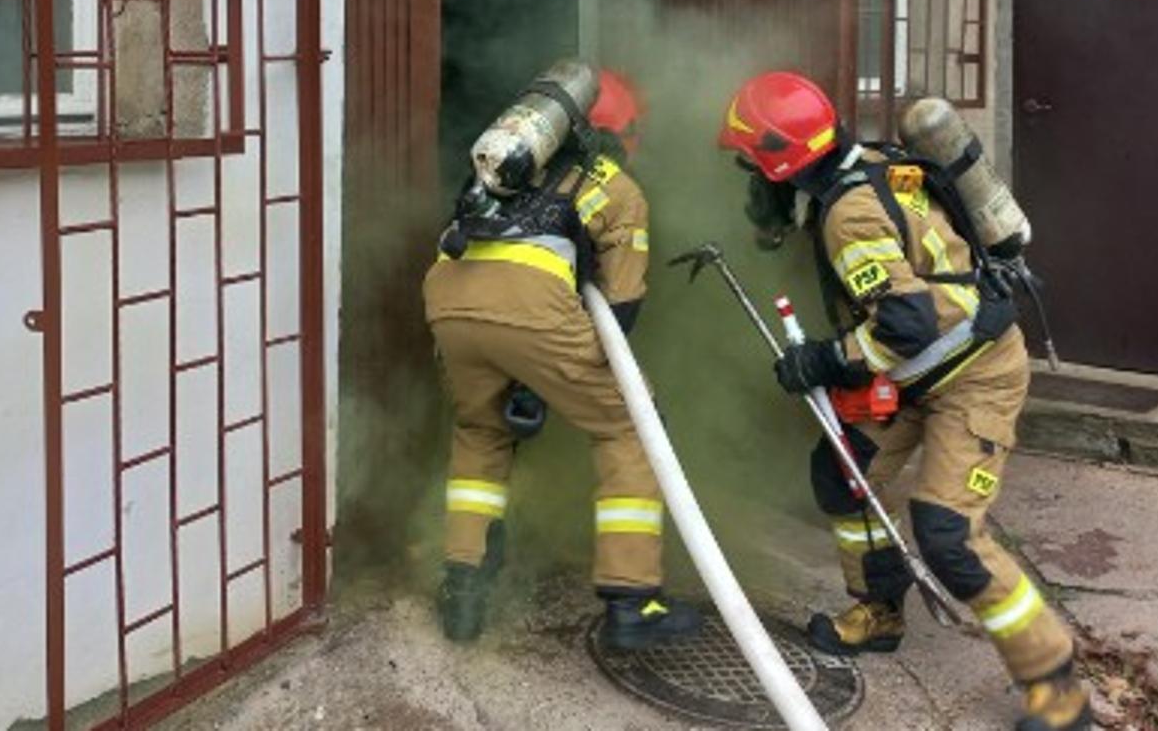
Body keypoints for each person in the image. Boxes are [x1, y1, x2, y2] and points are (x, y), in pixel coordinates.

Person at [717, 71, 1091, 731]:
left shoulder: (847, 212)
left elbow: (907, 323)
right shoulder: (870, 169)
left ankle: (1056, 684)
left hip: (973, 373)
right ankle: (879, 610)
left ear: (779, 159)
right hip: (914, 375)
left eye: (750, 161)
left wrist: (824, 361)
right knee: (842, 476)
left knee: (948, 534)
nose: (747, 173)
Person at [423, 68, 701, 650]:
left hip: (447, 299)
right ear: (617, 133)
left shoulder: (501, 172)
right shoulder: (615, 185)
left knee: (481, 430)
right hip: (533, 311)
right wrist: (555, 364)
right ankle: (633, 602)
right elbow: (621, 308)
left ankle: (463, 592)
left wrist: (533, 376)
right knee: (630, 424)